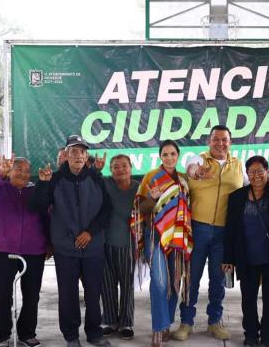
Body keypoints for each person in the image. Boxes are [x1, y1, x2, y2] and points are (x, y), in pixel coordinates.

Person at [30, 135, 112, 347]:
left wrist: (90, 233)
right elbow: (38, 206)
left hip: (93, 247)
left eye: (83, 152)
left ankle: (94, 332)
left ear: (87, 157)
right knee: (68, 294)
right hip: (66, 248)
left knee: (94, 292)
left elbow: (107, 210)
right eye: (74, 152)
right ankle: (71, 335)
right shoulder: (54, 179)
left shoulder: (95, 177)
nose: (79, 156)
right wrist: (43, 184)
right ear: (66, 155)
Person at [173, 125, 247, 341]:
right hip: (198, 229)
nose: (220, 143)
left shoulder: (238, 165)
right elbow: (191, 169)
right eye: (216, 139)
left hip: (224, 233)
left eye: (224, 140)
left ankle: (214, 321)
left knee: (217, 279)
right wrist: (197, 173)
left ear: (230, 142)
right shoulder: (198, 159)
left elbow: (252, 189)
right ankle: (186, 322)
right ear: (209, 141)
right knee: (191, 279)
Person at [222, 154, 269, 347]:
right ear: (246, 173)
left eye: (260, 171)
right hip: (246, 258)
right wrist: (228, 257)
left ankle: (268, 335)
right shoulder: (237, 197)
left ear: (267, 172)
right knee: (248, 299)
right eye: (252, 171)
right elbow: (230, 229)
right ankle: (251, 335)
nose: (256, 175)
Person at [130, 140, 194, 347]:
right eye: (165, 154)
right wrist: (151, 197)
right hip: (155, 236)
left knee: (175, 281)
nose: (169, 158)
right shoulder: (151, 177)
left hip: (177, 237)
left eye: (172, 154)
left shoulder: (184, 180)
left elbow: (188, 208)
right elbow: (140, 207)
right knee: (159, 282)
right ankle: (158, 328)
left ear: (178, 156)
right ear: (160, 157)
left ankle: (166, 325)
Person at [0, 155, 48, 347]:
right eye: (19, 169)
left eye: (27, 170)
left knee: (32, 294)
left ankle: (27, 333)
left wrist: (49, 243)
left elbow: (46, 216)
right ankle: (1, 335)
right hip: (1, 249)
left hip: (33, 250)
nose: (24, 174)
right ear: (9, 170)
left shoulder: (36, 190)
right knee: (1, 295)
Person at [100, 155, 139, 340]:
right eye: (115, 166)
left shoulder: (139, 188)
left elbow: (148, 213)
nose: (120, 169)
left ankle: (126, 322)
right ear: (111, 169)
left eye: (124, 166)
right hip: (105, 244)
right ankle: (108, 320)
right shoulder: (105, 183)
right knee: (106, 284)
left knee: (127, 285)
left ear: (131, 167)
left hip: (128, 245)